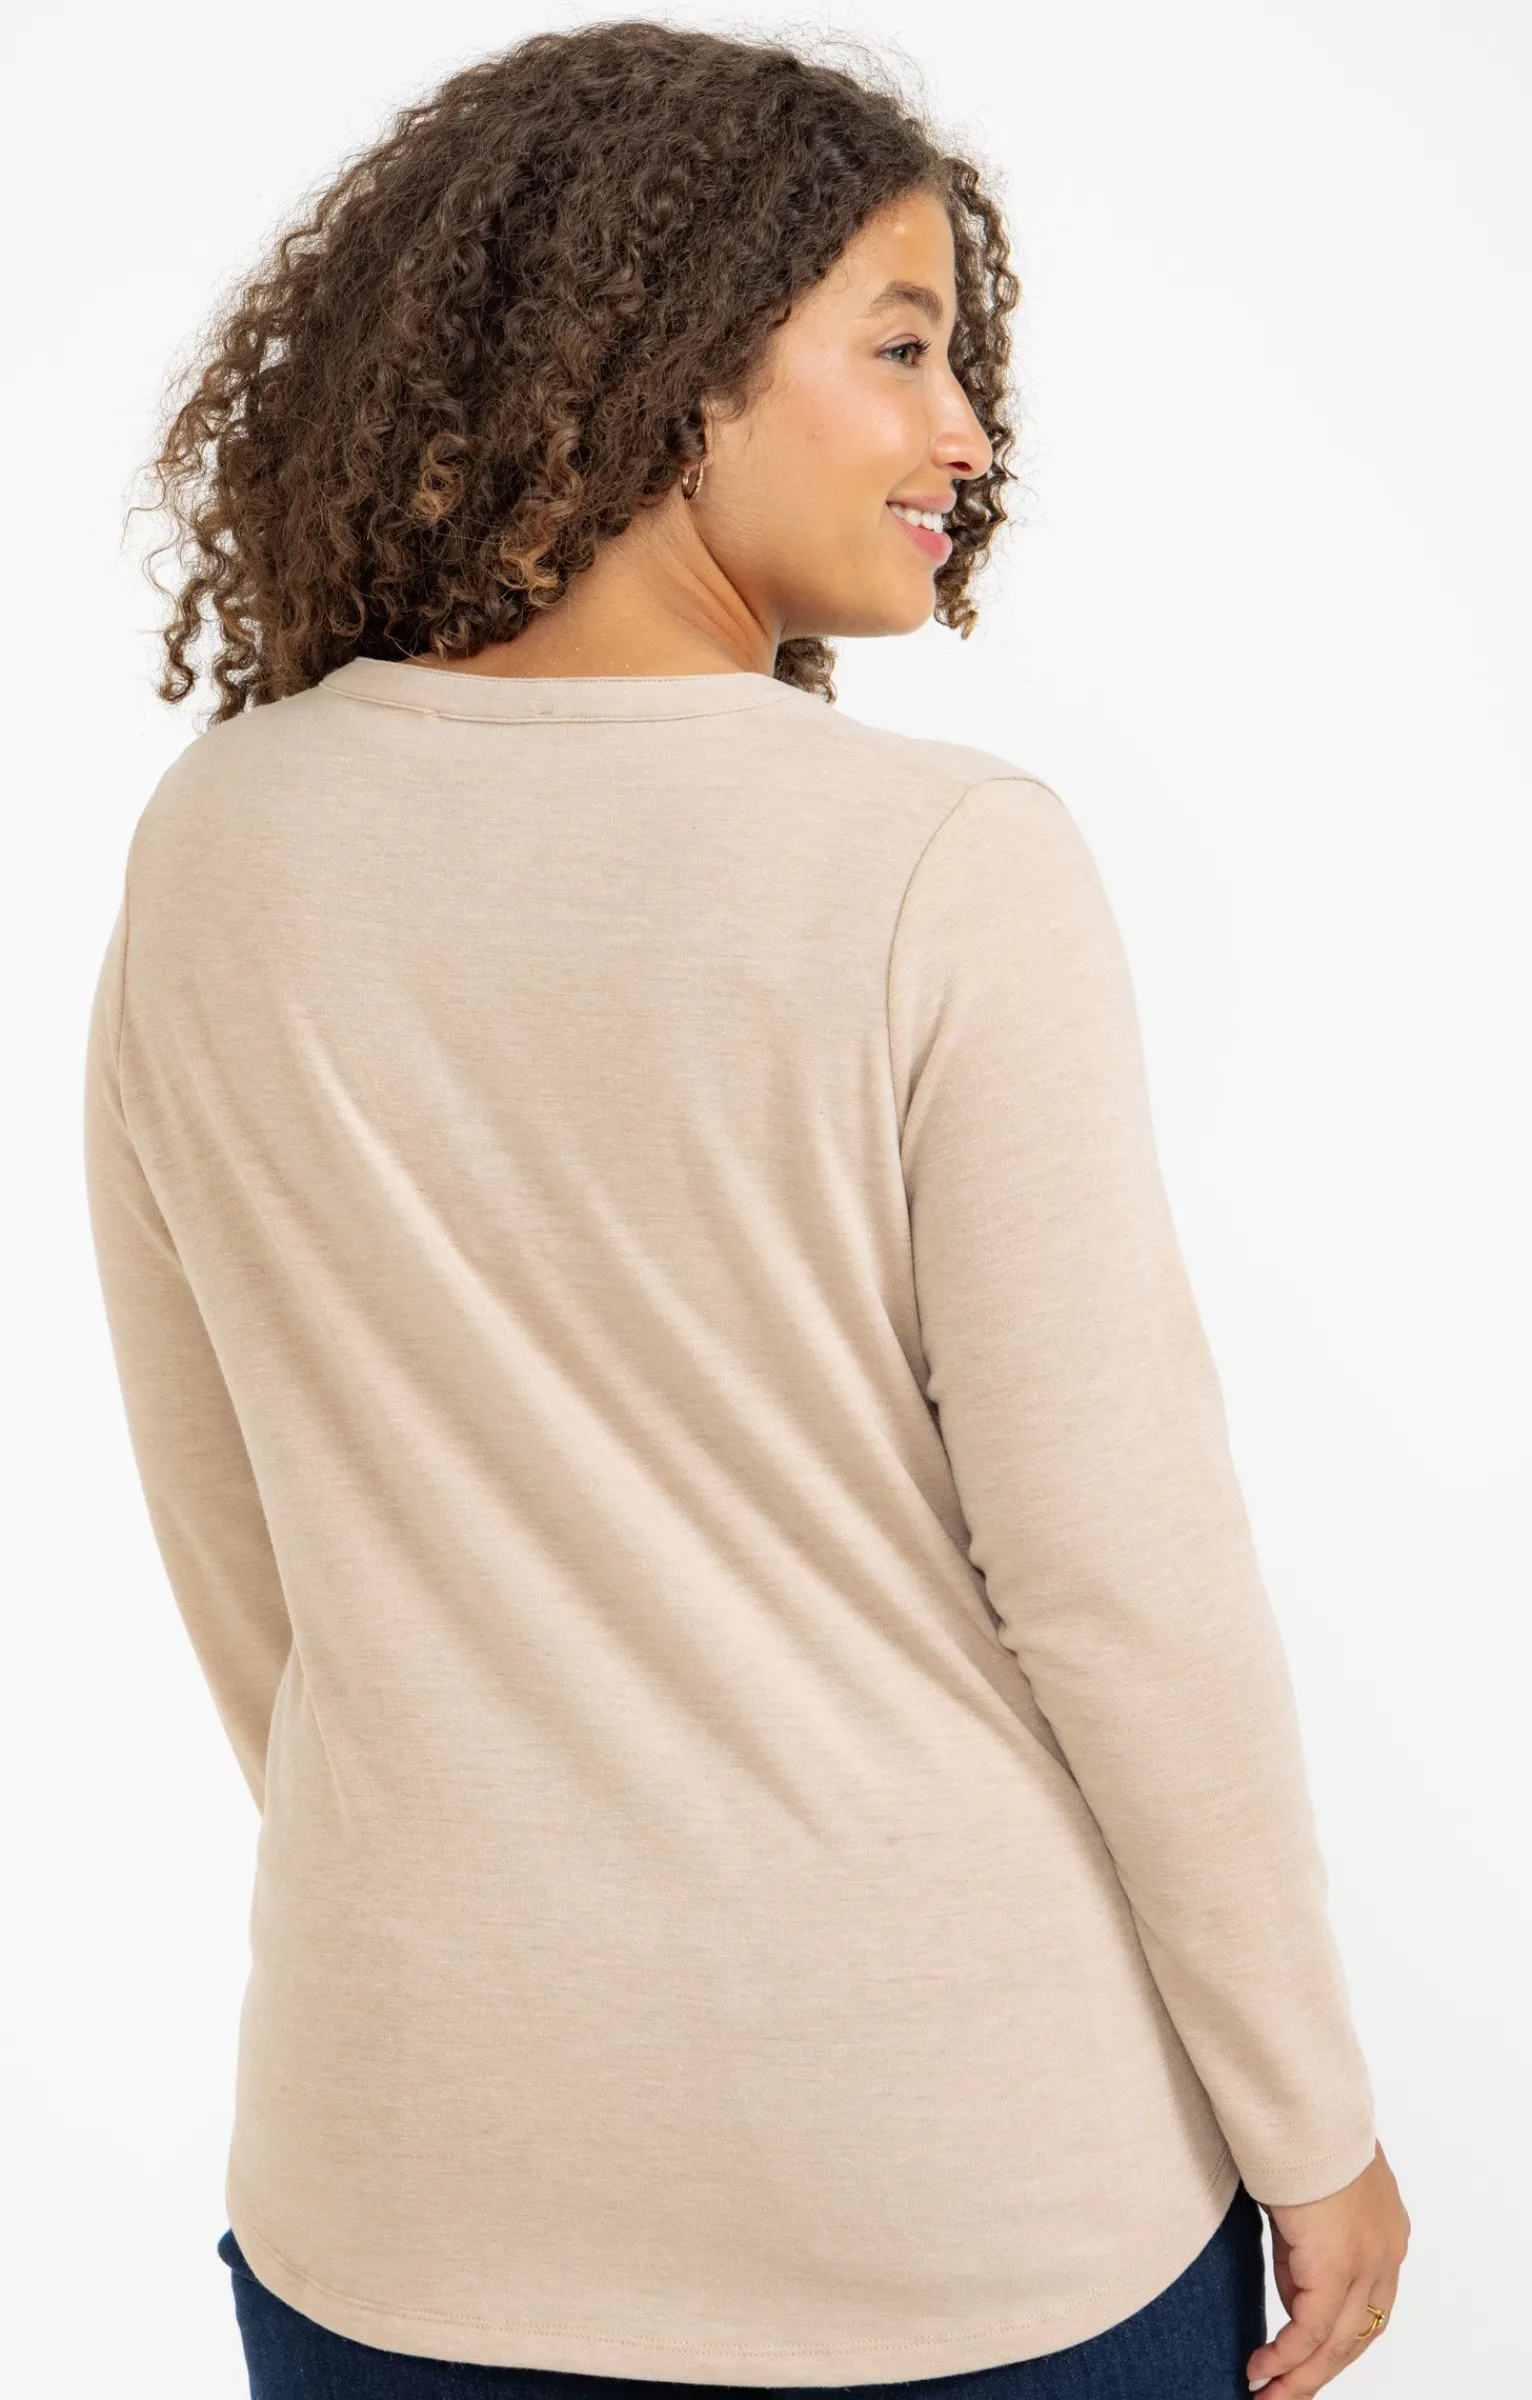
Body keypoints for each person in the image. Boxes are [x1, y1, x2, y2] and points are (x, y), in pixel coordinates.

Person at [83, 20, 1409, 2400]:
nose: (966, 434)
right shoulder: (936, 863)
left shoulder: (220, 845)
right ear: (661, 362)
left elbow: (232, 1531)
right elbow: (1119, 1580)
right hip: (952, 2195)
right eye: (900, 348)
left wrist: (486, 1893)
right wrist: (1309, 2118)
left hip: (414, 2172)